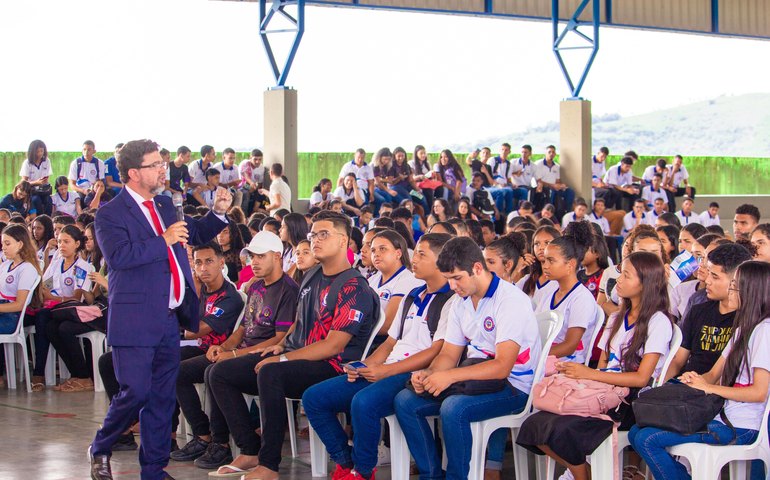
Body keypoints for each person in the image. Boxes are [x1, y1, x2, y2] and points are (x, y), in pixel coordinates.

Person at [88, 139, 231, 480]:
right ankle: (101, 445)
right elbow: (120, 258)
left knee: (162, 400)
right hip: (134, 319)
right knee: (135, 391)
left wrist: (219, 213)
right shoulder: (110, 213)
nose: (162, 169)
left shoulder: (166, 204)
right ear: (135, 173)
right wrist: (163, 240)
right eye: (155, 165)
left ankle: (153, 470)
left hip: (169, 318)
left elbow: (191, 233)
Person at [215, 212, 376, 480]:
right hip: (301, 357)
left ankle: (269, 465)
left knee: (270, 372)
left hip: (335, 367)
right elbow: (300, 321)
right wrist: (281, 346)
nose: (315, 240)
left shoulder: (353, 286)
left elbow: (333, 346)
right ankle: (249, 449)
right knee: (221, 373)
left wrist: (283, 360)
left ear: (344, 241)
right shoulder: (312, 276)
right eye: (313, 234)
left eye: (324, 234)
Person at [303, 233, 457, 480]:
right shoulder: (413, 295)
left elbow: (436, 352)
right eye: (414, 252)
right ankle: (346, 461)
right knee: (314, 398)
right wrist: (366, 365)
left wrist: (386, 371)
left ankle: (363, 471)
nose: (413, 259)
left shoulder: (452, 300)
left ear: (442, 260)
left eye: (421, 254)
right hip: (388, 367)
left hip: (413, 373)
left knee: (363, 402)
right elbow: (390, 342)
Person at [394, 236, 541, 480]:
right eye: (448, 279)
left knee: (454, 408)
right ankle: (431, 475)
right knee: (405, 401)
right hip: (475, 378)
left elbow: (503, 367)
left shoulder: (510, 300)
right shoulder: (459, 302)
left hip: (514, 386)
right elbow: (449, 354)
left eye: (457, 278)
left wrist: (449, 376)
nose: (453, 286)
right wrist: (430, 374)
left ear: (477, 268)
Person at [517, 251, 674, 480]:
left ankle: (581, 475)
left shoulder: (658, 322)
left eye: (626, 276)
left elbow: (641, 379)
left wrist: (590, 374)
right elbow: (604, 364)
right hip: (602, 391)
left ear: (645, 283)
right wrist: (582, 377)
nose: (618, 281)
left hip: (629, 402)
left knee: (563, 428)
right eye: (621, 274)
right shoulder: (617, 317)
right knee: (534, 425)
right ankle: (584, 473)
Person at [629, 261, 770, 480]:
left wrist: (709, 387)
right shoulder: (744, 328)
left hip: (743, 425)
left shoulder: (764, 331)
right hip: (724, 415)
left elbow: (759, 392)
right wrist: (695, 379)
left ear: (751, 291)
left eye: (735, 286)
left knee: (647, 439)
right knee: (636, 432)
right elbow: (713, 374)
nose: (731, 290)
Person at [170, 240, 273, 465]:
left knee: (187, 372)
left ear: (221, 262)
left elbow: (198, 329)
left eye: (209, 261)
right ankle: (173, 433)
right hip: (203, 350)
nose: (203, 268)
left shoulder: (229, 297)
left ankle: (210, 437)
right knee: (164, 363)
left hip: (220, 351)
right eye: (198, 263)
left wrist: (172, 328)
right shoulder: (200, 291)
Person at [665, 243, 752, 380]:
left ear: (737, 279)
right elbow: (678, 360)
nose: (708, 280)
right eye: (709, 273)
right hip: (686, 382)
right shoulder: (698, 311)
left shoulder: (748, 320)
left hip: (713, 391)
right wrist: (660, 385)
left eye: (715, 276)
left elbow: (719, 377)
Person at [32, 224, 95, 391]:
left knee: (53, 323)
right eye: (59, 241)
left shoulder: (82, 267)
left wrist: (54, 297)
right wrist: (54, 297)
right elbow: (45, 286)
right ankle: (77, 375)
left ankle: (81, 376)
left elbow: (75, 298)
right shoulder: (57, 262)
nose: (61, 245)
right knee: (51, 328)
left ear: (77, 244)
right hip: (57, 311)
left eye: (66, 241)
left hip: (75, 312)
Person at [0, 225, 42, 387]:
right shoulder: (5, 266)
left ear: (20, 244)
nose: (3, 247)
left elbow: (19, 305)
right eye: (2, 244)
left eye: (7, 243)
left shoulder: (27, 269)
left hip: (12, 317)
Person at [368, 229, 422, 335]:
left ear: (398, 253)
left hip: (383, 341)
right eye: (373, 250)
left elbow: (387, 325)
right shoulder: (372, 279)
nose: (376, 254)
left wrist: (353, 330)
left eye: (382, 249)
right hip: (365, 335)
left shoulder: (408, 280)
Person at [517, 225, 562, 302]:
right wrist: (517, 269)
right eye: (537, 244)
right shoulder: (527, 280)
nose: (541, 247)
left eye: (547, 243)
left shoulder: (561, 280)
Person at [534, 145, 574, 218]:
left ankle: (568, 213)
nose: (551, 154)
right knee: (552, 192)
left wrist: (561, 186)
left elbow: (557, 181)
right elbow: (538, 181)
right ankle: (550, 214)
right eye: (549, 152)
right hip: (543, 187)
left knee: (570, 191)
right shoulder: (538, 164)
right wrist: (553, 185)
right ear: (545, 153)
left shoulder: (556, 166)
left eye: (553, 152)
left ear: (555, 154)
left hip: (554, 187)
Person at [338, 148, 378, 213]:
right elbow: (341, 179)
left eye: (362, 158)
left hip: (364, 190)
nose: (360, 159)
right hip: (349, 188)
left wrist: (371, 194)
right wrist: (340, 189)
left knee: (380, 200)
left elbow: (371, 182)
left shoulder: (368, 167)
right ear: (355, 156)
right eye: (358, 157)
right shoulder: (347, 165)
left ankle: (374, 216)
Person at [20, 139, 53, 216]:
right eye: (38, 151)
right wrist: (36, 182)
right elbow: (24, 182)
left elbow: (47, 177)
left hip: (43, 189)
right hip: (32, 190)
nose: (40, 154)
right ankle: (40, 218)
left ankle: (48, 218)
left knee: (49, 200)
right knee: (36, 200)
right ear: (32, 152)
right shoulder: (27, 163)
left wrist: (43, 181)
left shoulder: (46, 161)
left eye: (42, 151)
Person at [238, 148, 270, 214]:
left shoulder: (261, 168)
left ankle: (255, 213)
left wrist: (258, 190)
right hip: (242, 185)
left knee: (261, 194)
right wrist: (251, 183)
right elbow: (245, 176)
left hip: (254, 187)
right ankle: (244, 215)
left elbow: (260, 183)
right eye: (255, 159)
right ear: (250, 157)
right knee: (247, 193)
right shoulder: (245, 163)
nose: (257, 161)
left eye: (260, 159)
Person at [510, 144, 536, 209]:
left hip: (526, 186)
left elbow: (537, 178)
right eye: (522, 152)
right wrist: (515, 173)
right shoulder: (513, 162)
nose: (523, 154)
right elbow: (507, 174)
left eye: (525, 152)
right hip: (515, 186)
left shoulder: (533, 165)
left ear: (530, 153)